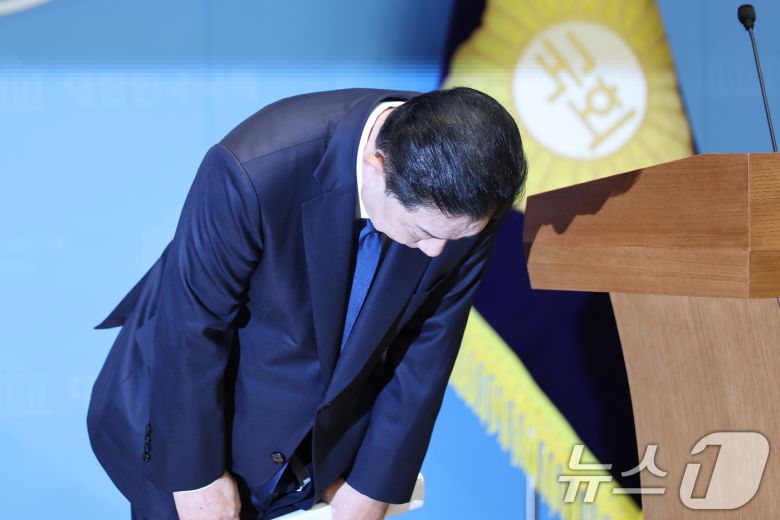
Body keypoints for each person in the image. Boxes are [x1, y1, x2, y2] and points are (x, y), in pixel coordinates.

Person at [87, 86, 527, 520]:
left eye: (455, 238)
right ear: (377, 165)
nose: (437, 252)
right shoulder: (254, 167)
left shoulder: (471, 190)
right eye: (423, 233)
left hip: (313, 454)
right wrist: (197, 479)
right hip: (191, 421)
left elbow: (429, 344)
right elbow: (192, 327)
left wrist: (372, 486)